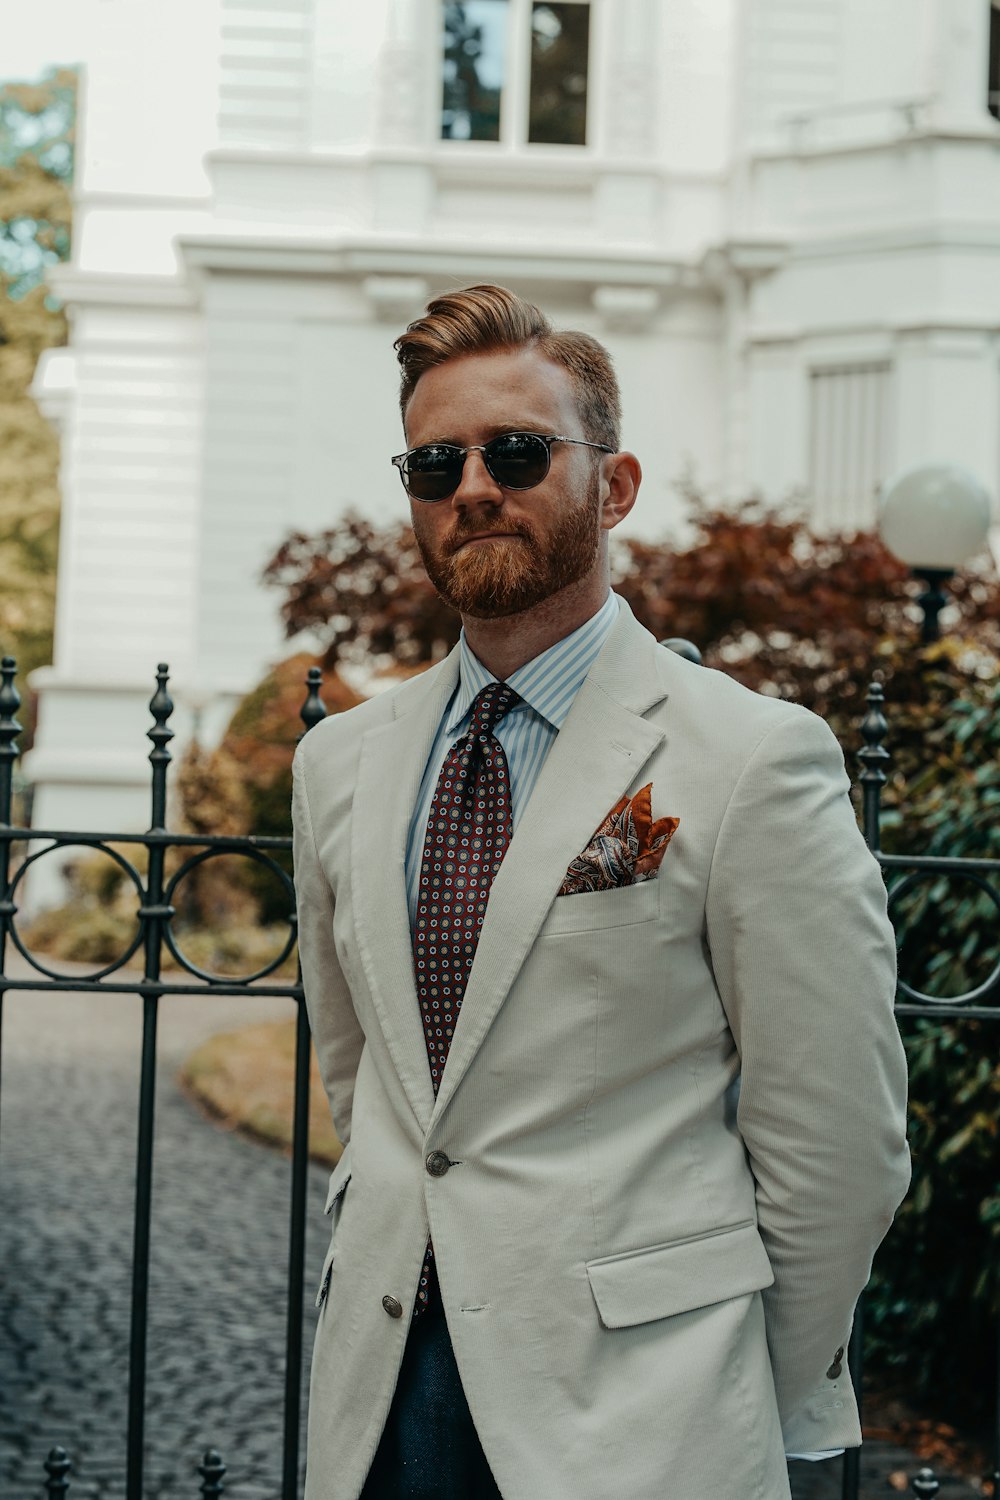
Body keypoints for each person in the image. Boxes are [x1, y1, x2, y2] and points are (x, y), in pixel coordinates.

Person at [291, 284, 910, 1500]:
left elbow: (834, 1140)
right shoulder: (338, 764)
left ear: (612, 486)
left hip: (642, 1413)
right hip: (382, 1388)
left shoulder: (749, 758)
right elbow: (367, 1079)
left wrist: (731, 1383)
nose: (473, 485)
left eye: (517, 452)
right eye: (435, 462)